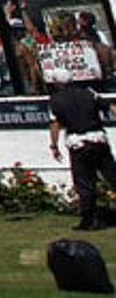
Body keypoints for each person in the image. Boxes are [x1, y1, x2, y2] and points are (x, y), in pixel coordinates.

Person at [49, 73, 116, 230]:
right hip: (99, 140)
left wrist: (54, 145)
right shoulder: (88, 92)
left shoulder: (56, 100)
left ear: (57, 83)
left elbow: (55, 124)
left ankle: (89, 221)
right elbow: (110, 106)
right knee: (113, 176)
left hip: (78, 143)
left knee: (84, 183)